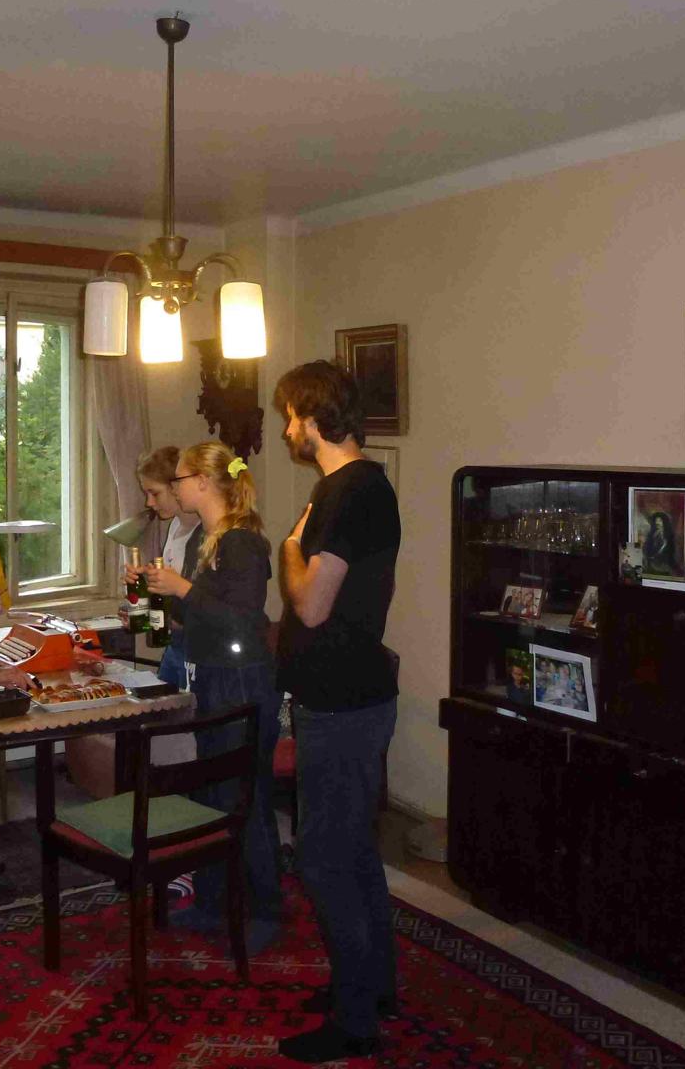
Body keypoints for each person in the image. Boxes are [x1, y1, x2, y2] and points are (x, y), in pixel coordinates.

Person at [272, 360, 401, 1065]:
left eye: (292, 416)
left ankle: (355, 1022)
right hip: (345, 699)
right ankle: (373, 988)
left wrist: (290, 550)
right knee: (352, 852)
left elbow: (312, 604)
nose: (286, 429)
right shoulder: (350, 488)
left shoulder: (351, 493)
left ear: (315, 417)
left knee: (323, 860)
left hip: (343, 706)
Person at [138, 441, 282, 954]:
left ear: (202, 482)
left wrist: (181, 588)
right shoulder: (207, 536)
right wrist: (156, 590)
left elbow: (243, 621)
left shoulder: (243, 542)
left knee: (247, 798)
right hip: (213, 677)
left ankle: (265, 910)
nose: (174, 488)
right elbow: (197, 616)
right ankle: (214, 901)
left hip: (242, 681)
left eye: (178, 479)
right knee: (214, 796)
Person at [133, 445, 200, 689]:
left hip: (196, 647)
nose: (149, 502)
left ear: (176, 487)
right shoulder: (175, 526)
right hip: (175, 643)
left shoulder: (205, 534)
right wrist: (144, 582)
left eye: (155, 493)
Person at [642, 511, 680, 577]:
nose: (657, 523)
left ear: (664, 522)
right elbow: (647, 548)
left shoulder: (669, 536)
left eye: (659, 521)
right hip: (652, 564)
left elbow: (671, 553)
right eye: (656, 521)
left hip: (665, 565)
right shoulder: (652, 534)